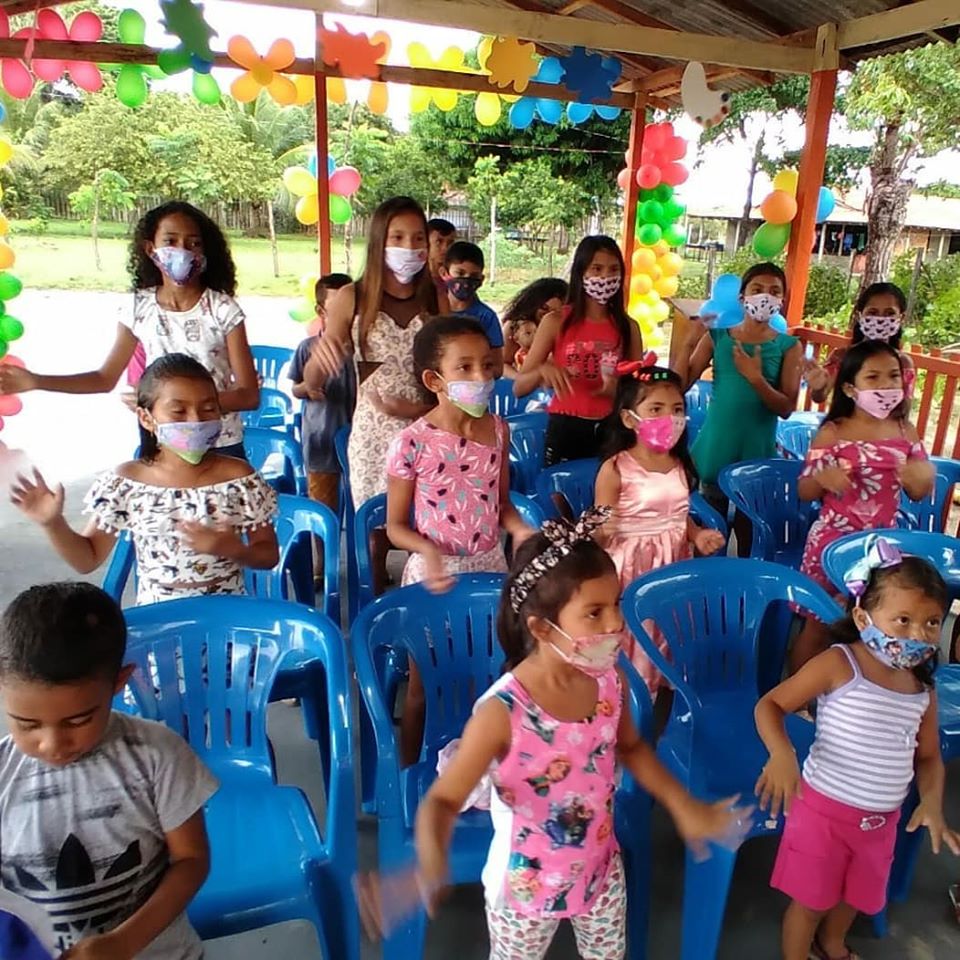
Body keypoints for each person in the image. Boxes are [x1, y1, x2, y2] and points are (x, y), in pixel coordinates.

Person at [410, 514, 749, 959]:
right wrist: (431, 858)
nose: (615, 623)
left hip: (600, 870)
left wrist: (684, 807)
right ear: (541, 627)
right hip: (525, 890)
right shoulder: (502, 712)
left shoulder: (608, 680)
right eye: (594, 612)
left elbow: (630, 748)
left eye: (616, 603)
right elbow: (442, 800)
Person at [755, 539, 959, 960]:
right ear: (864, 616)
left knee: (855, 896)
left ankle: (832, 945)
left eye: (931, 622)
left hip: (880, 822)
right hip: (823, 816)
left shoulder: (922, 686)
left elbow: (927, 756)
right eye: (902, 620)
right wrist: (781, 754)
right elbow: (770, 705)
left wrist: (934, 801)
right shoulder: (839, 664)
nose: (918, 635)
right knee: (810, 903)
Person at [0, 581, 218, 958]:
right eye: (27, 723)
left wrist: (124, 942)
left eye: (77, 719)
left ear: (119, 682)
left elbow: (191, 860)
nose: (52, 744)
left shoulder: (157, 755)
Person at [9, 355, 279, 605]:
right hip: (158, 625)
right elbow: (87, 559)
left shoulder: (239, 478)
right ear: (146, 418)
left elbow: (268, 555)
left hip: (229, 623)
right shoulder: (127, 483)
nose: (195, 420)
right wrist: (53, 523)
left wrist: (235, 550)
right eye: (178, 412)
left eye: (208, 409)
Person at [0, 201, 259, 459]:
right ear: (150, 249)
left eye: (193, 243)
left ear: (203, 253)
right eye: (170, 241)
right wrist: (36, 381)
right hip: (162, 445)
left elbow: (248, 395)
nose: (182, 250)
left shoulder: (223, 309)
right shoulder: (138, 308)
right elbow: (103, 379)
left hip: (220, 444)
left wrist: (177, 408)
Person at [387, 316, 536, 766]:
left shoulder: (498, 429)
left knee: (492, 673)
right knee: (422, 686)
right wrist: (429, 551)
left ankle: (485, 764)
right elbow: (396, 526)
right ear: (434, 380)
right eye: (465, 368)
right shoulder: (411, 442)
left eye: (487, 366)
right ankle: (409, 776)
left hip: (490, 568)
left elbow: (501, 502)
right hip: (435, 578)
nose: (482, 378)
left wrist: (520, 530)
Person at [306, 197, 439, 594]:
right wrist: (324, 358)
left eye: (418, 238)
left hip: (428, 428)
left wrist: (416, 410)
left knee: (427, 525)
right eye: (398, 237)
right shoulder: (352, 296)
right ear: (379, 242)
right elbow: (314, 376)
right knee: (375, 530)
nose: (409, 247)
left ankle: (422, 604)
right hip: (373, 434)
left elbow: (450, 371)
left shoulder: (437, 298)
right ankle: (377, 607)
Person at [792, 340, 934, 670]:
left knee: (872, 625)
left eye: (893, 376)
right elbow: (804, 489)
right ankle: (793, 701)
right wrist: (822, 479)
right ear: (850, 388)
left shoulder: (906, 431)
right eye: (873, 377)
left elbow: (919, 490)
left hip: (881, 548)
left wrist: (920, 476)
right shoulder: (832, 432)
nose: (886, 385)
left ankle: (852, 698)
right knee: (818, 624)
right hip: (831, 546)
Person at [595, 361, 725, 692]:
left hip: (674, 563)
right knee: (636, 631)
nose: (669, 418)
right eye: (655, 409)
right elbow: (597, 526)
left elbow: (679, 515)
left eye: (677, 409)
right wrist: (603, 528)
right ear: (629, 418)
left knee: (669, 630)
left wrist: (697, 534)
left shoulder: (679, 464)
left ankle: (662, 693)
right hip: (631, 567)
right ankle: (628, 694)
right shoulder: (615, 468)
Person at [675, 262, 802, 548]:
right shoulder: (717, 337)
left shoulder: (788, 346)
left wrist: (756, 379)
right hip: (714, 452)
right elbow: (679, 385)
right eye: (757, 289)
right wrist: (686, 344)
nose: (765, 296)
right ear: (742, 297)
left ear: (782, 301)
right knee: (710, 536)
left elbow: (786, 407)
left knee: (749, 538)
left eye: (774, 291)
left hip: (756, 456)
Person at [514, 237, 643, 465]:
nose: (605, 277)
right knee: (560, 496)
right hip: (565, 427)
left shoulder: (628, 327)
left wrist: (618, 391)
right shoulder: (555, 321)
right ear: (581, 272)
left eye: (614, 269)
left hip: (612, 428)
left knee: (604, 498)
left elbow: (640, 390)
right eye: (597, 268)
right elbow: (519, 388)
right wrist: (542, 371)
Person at [289, 273, 355, 516]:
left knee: (358, 507)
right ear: (321, 310)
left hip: (356, 439)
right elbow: (295, 388)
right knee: (323, 510)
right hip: (320, 438)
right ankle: (324, 553)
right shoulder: (307, 348)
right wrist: (307, 388)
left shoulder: (364, 349)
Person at [805, 282, 915, 405]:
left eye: (889, 313)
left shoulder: (903, 363)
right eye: (873, 312)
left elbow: (904, 410)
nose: (880, 319)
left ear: (901, 317)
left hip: (886, 425)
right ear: (859, 315)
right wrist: (819, 386)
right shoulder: (841, 357)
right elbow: (819, 397)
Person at [440, 241, 504, 376]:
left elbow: (498, 368)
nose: (466, 281)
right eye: (460, 273)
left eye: (473, 277)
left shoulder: (486, 317)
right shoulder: (433, 310)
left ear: (481, 280)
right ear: (444, 273)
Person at [500, 278, 568, 377]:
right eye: (545, 308)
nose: (549, 315)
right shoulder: (515, 326)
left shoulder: (569, 329)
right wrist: (521, 380)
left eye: (557, 312)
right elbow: (502, 364)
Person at [426, 217, 457, 282]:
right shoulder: (412, 280)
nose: (445, 248)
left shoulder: (455, 281)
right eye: (438, 242)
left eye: (450, 243)